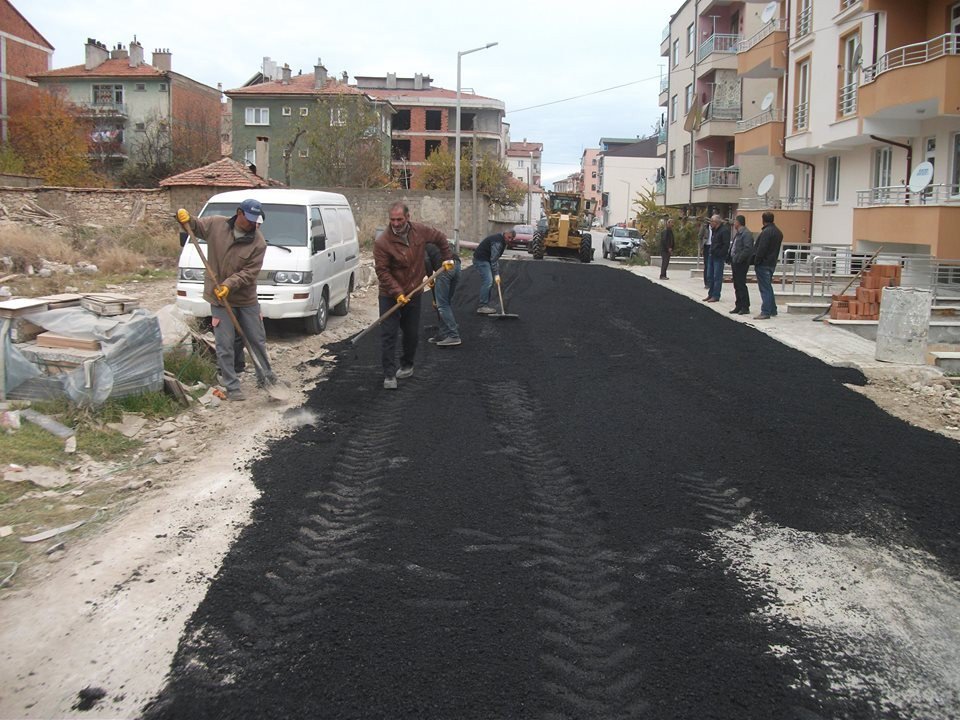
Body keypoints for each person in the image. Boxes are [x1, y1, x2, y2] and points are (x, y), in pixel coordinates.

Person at [176, 199, 274, 402]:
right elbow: (195, 226)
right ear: (239, 213)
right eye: (250, 220)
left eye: (257, 222)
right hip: (219, 299)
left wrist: (229, 284)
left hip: (246, 299)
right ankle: (232, 385)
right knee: (225, 343)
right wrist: (184, 217)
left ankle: (267, 378)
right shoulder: (216, 225)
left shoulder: (258, 242)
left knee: (256, 339)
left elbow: (250, 272)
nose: (254, 225)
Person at [374, 202, 454, 389]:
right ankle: (389, 375)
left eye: (399, 219)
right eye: (392, 220)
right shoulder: (382, 242)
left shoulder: (420, 231)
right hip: (389, 294)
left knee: (411, 333)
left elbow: (441, 237)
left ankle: (407, 364)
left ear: (408, 217)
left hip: (414, 291)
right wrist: (397, 293)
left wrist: (447, 257)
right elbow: (382, 272)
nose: (395, 223)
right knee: (388, 334)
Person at [424, 243, 461, 346]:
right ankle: (444, 333)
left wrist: (429, 277)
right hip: (457, 265)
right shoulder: (434, 242)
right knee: (446, 303)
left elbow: (426, 261)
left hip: (444, 268)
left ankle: (454, 336)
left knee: (442, 305)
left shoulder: (422, 245)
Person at [473, 230, 514, 314]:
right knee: (488, 281)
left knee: (490, 282)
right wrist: (496, 274)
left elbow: (495, 258)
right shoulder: (498, 242)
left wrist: (496, 273)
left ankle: (485, 304)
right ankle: (482, 306)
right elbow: (494, 259)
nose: (509, 240)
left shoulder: (501, 240)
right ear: (505, 234)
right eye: (509, 237)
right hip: (481, 259)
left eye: (512, 239)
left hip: (486, 259)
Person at [752, 211, 784, 320]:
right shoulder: (778, 232)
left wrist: (756, 260)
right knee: (768, 286)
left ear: (763, 220)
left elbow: (762, 248)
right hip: (772, 263)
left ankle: (765, 311)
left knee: (765, 288)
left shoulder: (766, 232)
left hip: (763, 263)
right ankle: (772, 309)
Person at [727, 215, 755, 315]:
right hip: (735, 262)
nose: (734, 223)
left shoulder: (746, 234)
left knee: (741, 284)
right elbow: (734, 246)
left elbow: (748, 249)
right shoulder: (738, 234)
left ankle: (745, 306)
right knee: (736, 284)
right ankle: (738, 305)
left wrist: (738, 258)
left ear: (738, 222)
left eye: (735, 221)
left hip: (741, 263)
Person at [704, 214, 729, 303]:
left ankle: (716, 295)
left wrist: (720, 253)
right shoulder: (714, 231)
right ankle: (710, 294)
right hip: (712, 255)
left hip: (718, 257)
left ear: (716, 222)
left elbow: (726, 245)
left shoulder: (724, 231)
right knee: (709, 275)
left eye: (711, 221)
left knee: (717, 277)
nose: (710, 223)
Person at [699, 218, 712, 289]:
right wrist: (701, 247)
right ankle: (707, 283)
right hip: (706, 246)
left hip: (713, 247)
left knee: (712, 265)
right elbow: (700, 236)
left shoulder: (716, 228)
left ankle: (711, 282)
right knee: (707, 265)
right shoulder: (704, 227)